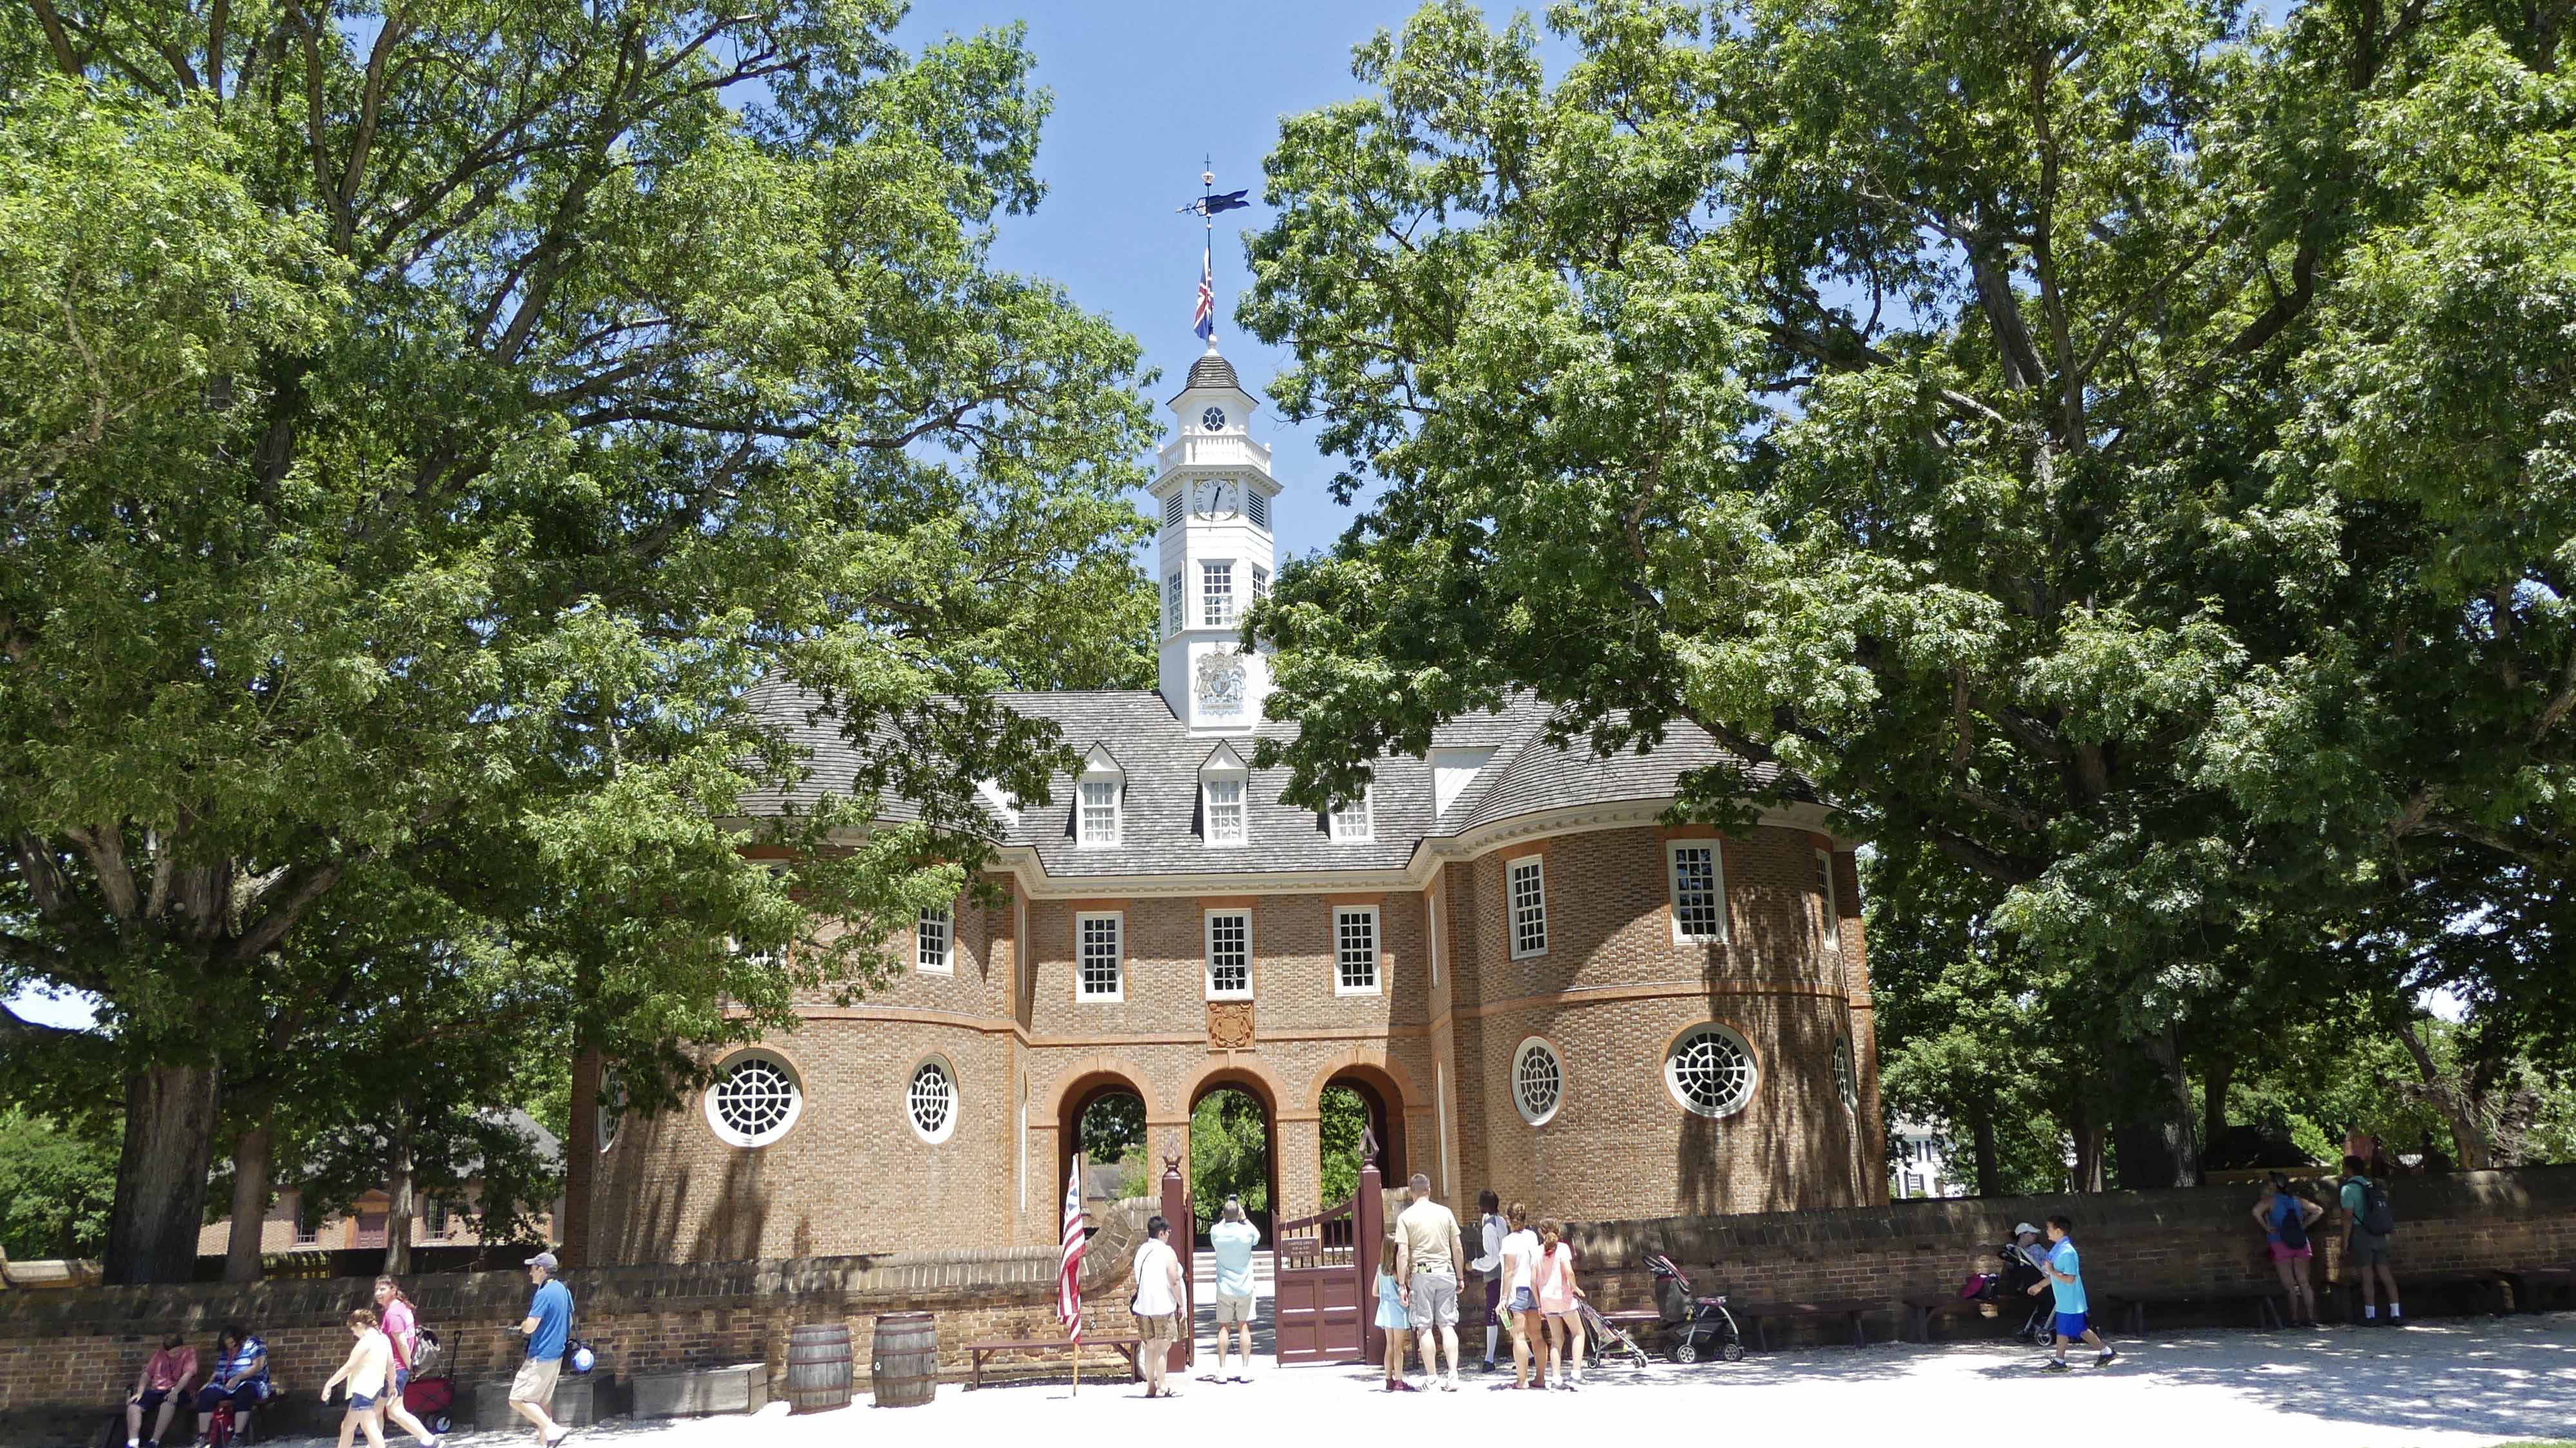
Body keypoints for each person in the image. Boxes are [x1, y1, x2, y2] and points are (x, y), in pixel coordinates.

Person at [1393, 1172, 1466, 1391]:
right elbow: (1457, 1247)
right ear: (1429, 1190)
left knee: (1424, 1327)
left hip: (1422, 1273)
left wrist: (1401, 1284)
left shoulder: (1405, 1217)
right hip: (1446, 1271)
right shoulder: (1445, 1213)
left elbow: (1403, 1253)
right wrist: (1460, 1276)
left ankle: (1432, 1377)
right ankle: (1453, 1375)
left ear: (1411, 1193)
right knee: (1447, 1325)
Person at [509, 1251, 576, 1445]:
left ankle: (553, 1429)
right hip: (557, 1353)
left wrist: (521, 1326)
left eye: (532, 1268)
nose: (530, 1272)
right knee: (541, 1402)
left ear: (541, 1270)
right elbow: (570, 1321)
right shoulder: (563, 1289)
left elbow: (531, 1326)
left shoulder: (544, 1293)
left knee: (518, 1399)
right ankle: (546, 1443)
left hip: (541, 1354)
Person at [2035, 1215, 2116, 1371]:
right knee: (2079, 1330)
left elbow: (2070, 1279)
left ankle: (2060, 1361)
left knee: (2064, 1330)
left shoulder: (2067, 1253)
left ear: (2058, 1231)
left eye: (2049, 1228)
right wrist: (2040, 1285)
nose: (2047, 1232)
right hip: (2067, 1300)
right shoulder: (2059, 1250)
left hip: (2071, 1301)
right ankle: (2106, 1352)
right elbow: (2057, 1275)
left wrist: (2050, 1270)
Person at [373, 1276, 443, 1447]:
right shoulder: (403, 1308)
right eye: (376, 1290)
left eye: (383, 1289)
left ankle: (431, 1441)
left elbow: (402, 1343)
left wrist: (410, 1367)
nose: (378, 1294)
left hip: (395, 1369)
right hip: (394, 1369)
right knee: (376, 1410)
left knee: (394, 1411)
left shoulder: (393, 1314)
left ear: (394, 1290)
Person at [2253, 1175, 2326, 1328]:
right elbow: (2318, 1211)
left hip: (2279, 1242)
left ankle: (2294, 1320)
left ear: (2275, 1186)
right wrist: (2304, 1226)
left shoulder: (2270, 1201)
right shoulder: (2297, 1200)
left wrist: (2267, 1228)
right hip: (2300, 1242)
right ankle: (2311, 1318)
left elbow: (2256, 1212)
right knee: (2304, 1283)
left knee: (2289, 1286)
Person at [2341, 1155, 2402, 1324]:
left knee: (2366, 1274)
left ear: (2349, 1169)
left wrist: (2345, 1241)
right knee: (2385, 1273)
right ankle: (2396, 1313)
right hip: (2379, 1233)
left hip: (2361, 1233)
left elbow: (2348, 1216)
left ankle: (2371, 1315)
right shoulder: (2372, 1185)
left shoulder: (2348, 1189)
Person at [1131, 1215, 1187, 1398]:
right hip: (1163, 1305)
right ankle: (1163, 1385)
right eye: (1168, 1232)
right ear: (1161, 1233)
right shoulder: (1167, 1252)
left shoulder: (1141, 1251)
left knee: (1150, 1347)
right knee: (1162, 1347)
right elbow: (1174, 1280)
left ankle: (1150, 1387)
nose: (1169, 1235)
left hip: (1143, 1307)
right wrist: (1181, 1304)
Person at [1207, 1196, 1262, 1384]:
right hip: (1245, 1287)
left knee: (1224, 1328)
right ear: (1239, 1213)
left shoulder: (1216, 1232)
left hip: (1225, 1288)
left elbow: (1219, 1226)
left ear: (1223, 1214)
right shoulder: (1247, 1232)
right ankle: (1245, 1369)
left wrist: (1228, 1216)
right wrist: (1243, 1218)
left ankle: (1222, 1370)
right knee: (1243, 1326)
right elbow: (1257, 1236)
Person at [321, 1308, 393, 1448]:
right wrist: (392, 1384)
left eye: (353, 1330)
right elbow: (390, 1364)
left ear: (359, 1325)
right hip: (377, 1387)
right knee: (348, 1426)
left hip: (363, 1389)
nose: (354, 1334)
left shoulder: (366, 1342)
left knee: (369, 1426)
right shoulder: (384, 1339)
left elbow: (349, 1367)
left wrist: (329, 1384)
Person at [193, 1324, 270, 1442]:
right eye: (227, 1345)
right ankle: (203, 1437)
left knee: (244, 1393)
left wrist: (238, 1378)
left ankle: (237, 1437)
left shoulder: (255, 1344)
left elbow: (258, 1366)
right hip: (227, 1385)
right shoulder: (226, 1351)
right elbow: (218, 1372)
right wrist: (208, 1384)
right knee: (206, 1394)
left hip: (252, 1382)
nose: (230, 1347)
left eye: (232, 1344)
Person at [1533, 1220, 1586, 1391]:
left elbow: (1533, 1281)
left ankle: (1556, 1379)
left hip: (1547, 1300)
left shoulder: (1536, 1252)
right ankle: (1576, 1374)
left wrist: (1539, 1304)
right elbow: (1568, 1271)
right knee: (1578, 1333)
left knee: (1556, 1340)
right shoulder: (1562, 1248)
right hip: (1563, 1297)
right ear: (1558, 1231)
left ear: (1541, 1233)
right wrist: (1575, 1287)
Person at [1496, 1203, 1543, 1389]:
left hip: (1518, 1290)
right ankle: (1540, 1378)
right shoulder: (1532, 1236)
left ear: (1508, 1218)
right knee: (1537, 1335)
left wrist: (1504, 1298)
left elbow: (1509, 1271)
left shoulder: (1509, 1241)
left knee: (1519, 1336)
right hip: (1533, 1288)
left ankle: (1522, 1380)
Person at [124, 1331, 196, 1448]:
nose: (177, 1354)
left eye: (178, 1351)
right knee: (133, 1406)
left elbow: (188, 1375)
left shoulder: (189, 1353)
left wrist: (175, 1391)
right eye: (173, 1353)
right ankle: (133, 1443)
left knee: (168, 1403)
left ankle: (154, 1441)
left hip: (179, 1390)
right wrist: (140, 1392)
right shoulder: (159, 1355)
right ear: (166, 1351)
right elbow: (147, 1374)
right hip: (157, 1390)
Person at [1373, 1224, 1417, 1392]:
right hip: (1397, 1310)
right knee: (1399, 1347)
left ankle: (1388, 1380)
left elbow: (1374, 1292)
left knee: (1389, 1345)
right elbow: (1406, 1289)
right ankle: (1399, 1381)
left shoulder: (1380, 1269)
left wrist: (1386, 1295)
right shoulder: (1397, 1271)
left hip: (1384, 1309)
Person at [1470, 1189, 1506, 1371]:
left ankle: (1489, 1358)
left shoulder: (1489, 1227)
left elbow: (1492, 1258)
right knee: (1506, 1313)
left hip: (1495, 1274)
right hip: (1505, 1271)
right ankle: (1529, 1354)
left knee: (1491, 1314)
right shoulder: (1501, 1221)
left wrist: (1474, 1264)